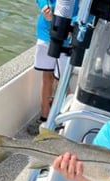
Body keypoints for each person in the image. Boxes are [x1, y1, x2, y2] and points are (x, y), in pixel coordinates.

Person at [27, 0, 78, 136]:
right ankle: (44, 117)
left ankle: (64, 119)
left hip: (67, 36)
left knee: (63, 79)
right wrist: (44, 7)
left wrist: (73, 23)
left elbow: (89, 11)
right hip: (45, 32)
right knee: (46, 76)